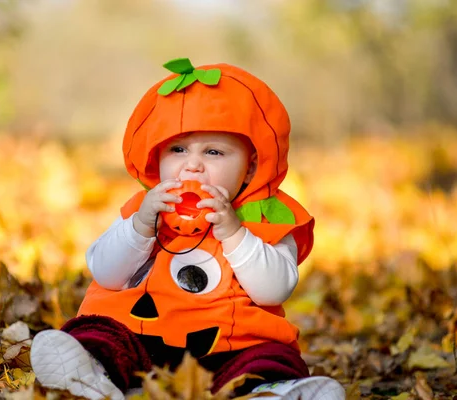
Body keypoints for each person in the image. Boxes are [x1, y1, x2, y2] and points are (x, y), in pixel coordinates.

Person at [30, 58, 345, 400]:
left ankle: (271, 392)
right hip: (139, 338)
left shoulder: (264, 219)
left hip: (228, 346)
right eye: (178, 149)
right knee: (99, 332)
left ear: (251, 166)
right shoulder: (143, 210)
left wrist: (234, 234)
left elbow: (274, 291)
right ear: (158, 156)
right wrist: (139, 227)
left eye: (213, 151)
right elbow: (105, 274)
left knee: (271, 355)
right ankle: (93, 376)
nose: (192, 165)